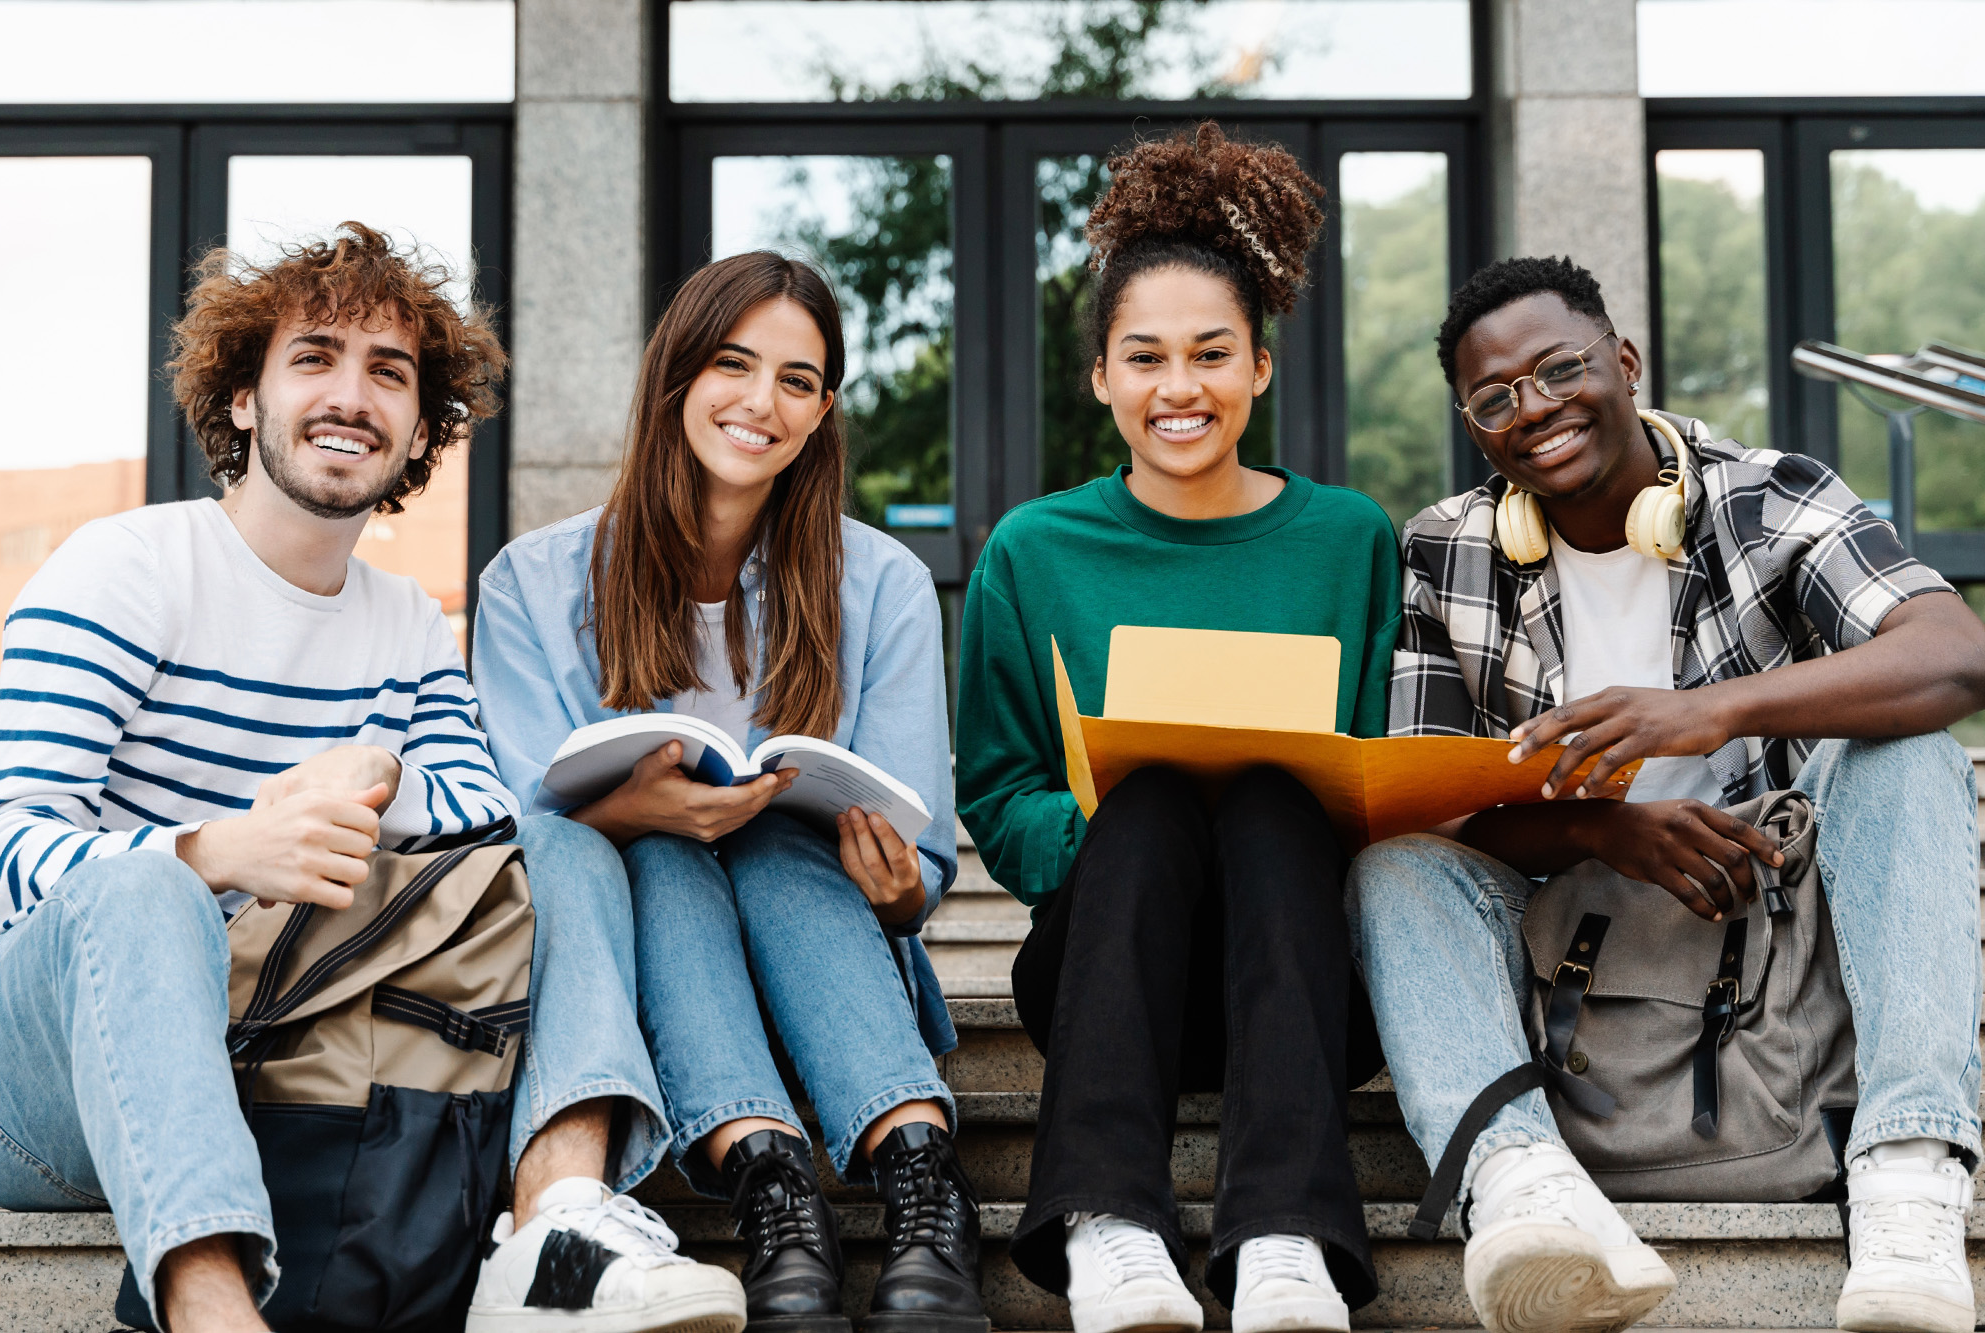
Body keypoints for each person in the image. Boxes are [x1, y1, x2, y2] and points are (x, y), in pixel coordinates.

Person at [0, 224, 745, 1333]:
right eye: (315, 357)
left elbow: (483, 819)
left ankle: (559, 1221)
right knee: (144, 891)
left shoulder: (407, 625)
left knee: (565, 839)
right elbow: (4, 852)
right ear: (242, 399)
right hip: (46, 1078)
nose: (352, 395)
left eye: (388, 374)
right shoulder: (128, 567)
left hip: (280, 1055)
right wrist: (220, 852)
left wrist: (376, 771)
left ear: (419, 430)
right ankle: (210, 1313)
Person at [1348, 254, 1985, 1333]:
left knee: (1910, 750)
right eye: (1494, 399)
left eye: (1558, 371)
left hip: (1771, 911)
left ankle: (1907, 1173)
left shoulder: (1767, 493)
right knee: (1390, 863)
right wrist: (1603, 826)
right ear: (1472, 423)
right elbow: (1419, 791)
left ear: (1624, 361)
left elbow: (1954, 656)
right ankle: (1522, 1191)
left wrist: (1712, 711)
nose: (1533, 410)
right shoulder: (1442, 549)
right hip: (1573, 925)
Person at [470, 249, 983, 1333]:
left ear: (822, 410)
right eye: (731, 364)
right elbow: (521, 830)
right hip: (648, 943)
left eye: (796, 381)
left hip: (827, 939)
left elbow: (917, 872)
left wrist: (894, 884)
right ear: (674, 375)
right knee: (656, 851)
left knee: (775, 839)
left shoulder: (878, 580)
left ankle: (922, 1187)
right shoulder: (534, 580)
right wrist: (633, 812)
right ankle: (776, 1195)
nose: (761, 402)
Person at [954, 123, 1398, 1333]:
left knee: (1268, 794)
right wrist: (1108, 805)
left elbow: (1373, 771)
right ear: (1099, 375)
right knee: (1148, 800)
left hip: (1305, 975)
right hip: (1103, 971)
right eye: (1142, 357)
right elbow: (996, 798)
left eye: (1210, 353)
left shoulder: (1351, 540)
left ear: (1259, 365)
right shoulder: (1032, 551)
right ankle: (1108, 1223)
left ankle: (1287, 1237)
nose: (1178, 388)